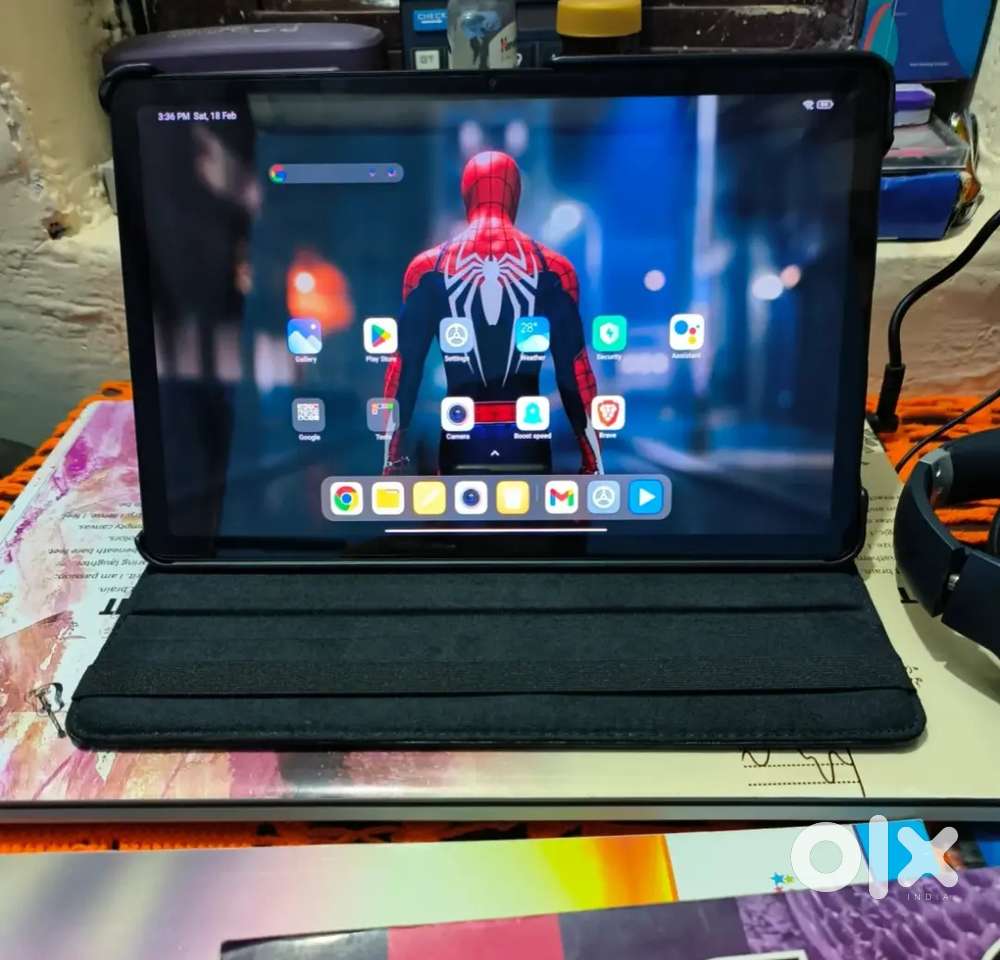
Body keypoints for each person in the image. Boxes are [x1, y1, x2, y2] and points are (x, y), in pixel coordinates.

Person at [383, 150, 601, 475]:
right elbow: (575, 374)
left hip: (460, 433)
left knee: (461, 505)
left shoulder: (428, 268)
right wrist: (592, 462)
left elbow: (404, 371)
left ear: (467, 194)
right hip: (528, 435)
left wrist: (391, 459)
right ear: (515, 194)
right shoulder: (554, 269)